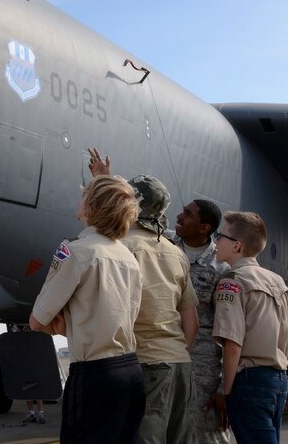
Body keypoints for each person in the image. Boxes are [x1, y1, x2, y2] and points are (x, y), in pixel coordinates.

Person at [30, 174, 145, 443]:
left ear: (92, 207)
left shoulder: (75, 252)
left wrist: (68, 326)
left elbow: (37, 321)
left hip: (95, 375)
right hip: (130, 371)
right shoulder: (128, 257)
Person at [122, 174, 200, 444]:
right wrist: (178, 352)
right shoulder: (175, 252)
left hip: (145, 363)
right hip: (180, 364)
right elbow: (191, 321)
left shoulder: (120, 248)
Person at [212, 211, 288, 444]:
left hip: (248, 380)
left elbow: (233, 345)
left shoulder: (232, 282)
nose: (216, 241)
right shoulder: (277, 281)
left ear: (237, 246)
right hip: (278, 379)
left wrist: (225, 390)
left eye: (221, 235)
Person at [166, 197, 232, 443]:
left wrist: (224, 388)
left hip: (201, 369)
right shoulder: (165, 243)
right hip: (162, 358)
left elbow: (230, 331)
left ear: (205, 227)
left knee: (206, 434)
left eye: (187, 214)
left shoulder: (221, 268)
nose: (179, 217)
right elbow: (130, 218)